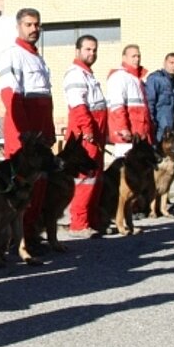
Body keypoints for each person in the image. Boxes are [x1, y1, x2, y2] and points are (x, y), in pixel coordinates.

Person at [0, 7, 55, 250]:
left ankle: (30, 235)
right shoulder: (12, 55)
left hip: (40, 134)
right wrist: (25, 132)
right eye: (29, 25)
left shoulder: (39, 58)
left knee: (38, 187)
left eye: (37, 25)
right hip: (24, 136)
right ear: (19, 26)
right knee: (20, 189)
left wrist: (49, 131)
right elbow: (11, 96)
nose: (34, 29)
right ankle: (15, 240)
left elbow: (46, 99)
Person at [64, 35, 108, 237]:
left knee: (96, 178)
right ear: (77, 51)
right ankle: (79, 223)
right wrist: (89, 131)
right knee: (85, 178)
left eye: (94, 50)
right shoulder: (75, 75)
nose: (92, 53)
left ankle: (92, 220)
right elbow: (79, 106)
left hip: (96, 134)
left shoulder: (88, 75)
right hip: (86, 136)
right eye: (88, 49)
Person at [106, 44, 154, 151]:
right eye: (133, 56)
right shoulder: (119, 77)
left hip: (139, 134)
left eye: (138, 56)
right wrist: (123, 128)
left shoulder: (136, 78)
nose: (137, 59)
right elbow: (117, 106)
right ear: (124, 58)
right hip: (128, 136)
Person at [146, 52, 174, 144]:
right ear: (165, 63)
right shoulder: (156, 79)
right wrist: (152, 121)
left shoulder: (173, 82)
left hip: (170, 126)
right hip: (158, 126)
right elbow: (150, 101)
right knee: (156, 152)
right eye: (171, 63)